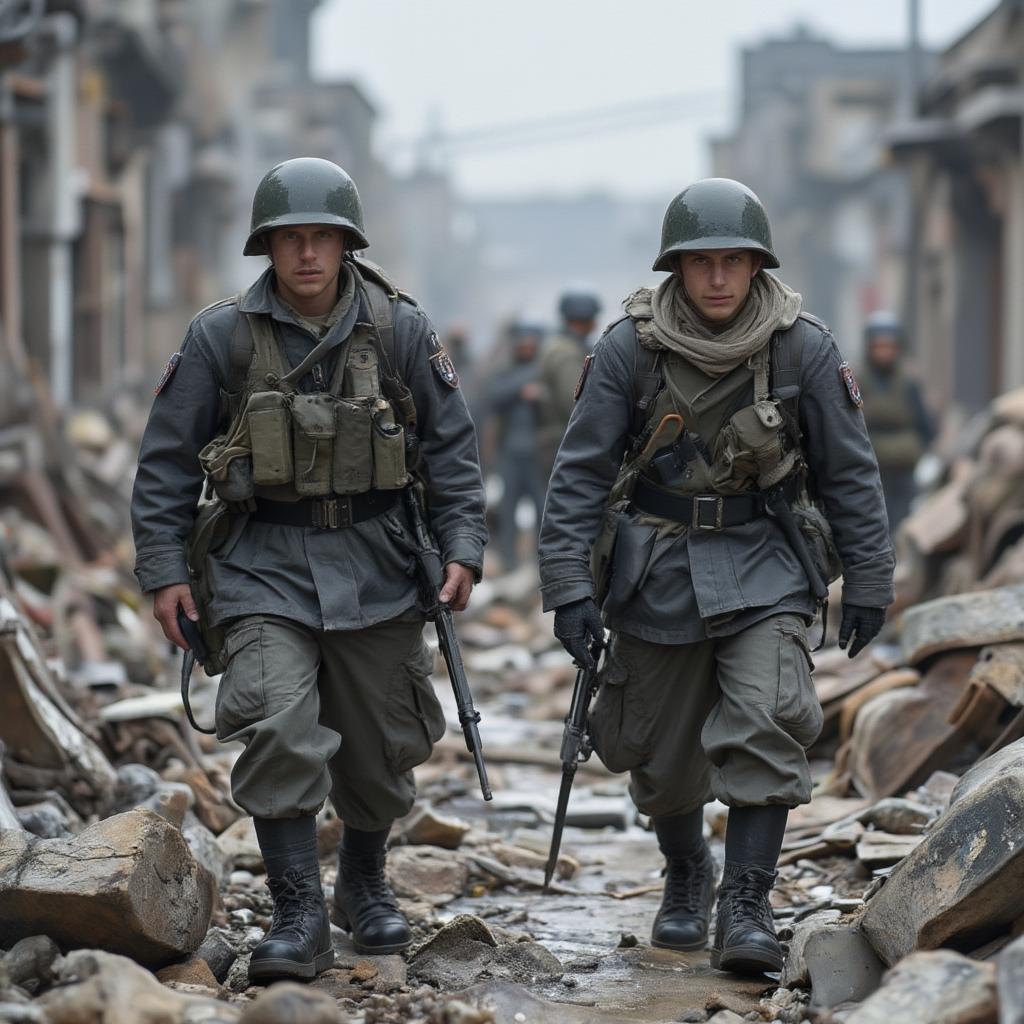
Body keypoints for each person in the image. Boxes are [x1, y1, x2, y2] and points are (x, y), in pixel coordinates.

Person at [131, 157, 486, 983]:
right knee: (275, 725)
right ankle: (296, 912)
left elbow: (452, 449)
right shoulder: (219, 336)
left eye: (321, 237)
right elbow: (166, 465)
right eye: (290, 239)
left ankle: (363, 883)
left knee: (380, 745)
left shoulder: (400, 329)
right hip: (262, 563)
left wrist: (463, 546)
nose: (306, 255)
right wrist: (162, 571)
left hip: (380, 562)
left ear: (346, 244)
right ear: (268, 247)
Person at [539, 178, 894, 976]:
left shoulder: (804, 346)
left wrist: (869, 579)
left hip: (766, 560)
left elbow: (851, 474)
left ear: (758, 264)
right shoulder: (629, 349)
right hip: (655, 566)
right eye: (703, 263)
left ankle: (747, 903)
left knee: (767, 716)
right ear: (677, 269)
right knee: (657, 752)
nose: (720, 279)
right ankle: (687, 870)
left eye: (735, 261)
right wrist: (566, 585)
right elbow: (579, 474)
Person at [859, 310, 933, 533]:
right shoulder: (857, 379)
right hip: (870, 468)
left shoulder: (909, 383)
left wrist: (918, 452)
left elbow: (925, 426)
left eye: (889, 346)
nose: (885, 352)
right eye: (879, 346)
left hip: (902, 472)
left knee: (900, 525)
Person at [487, 322, 547, 569]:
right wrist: (522, 387)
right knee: (508, 507)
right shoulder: (507, 371)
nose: (526, 349)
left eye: (530, 345)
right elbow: (493, 396)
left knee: (541, 508)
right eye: (522, 345)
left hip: (537, 452)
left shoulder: (545, 370)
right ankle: (509, 560)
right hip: (510, 452)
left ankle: (538, 562)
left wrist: (540, 394)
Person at [537, 288, 601, 478]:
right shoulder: (566, 352)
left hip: (555, 440)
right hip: (562, 441)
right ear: (586, 319)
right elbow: (575, 401)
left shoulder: (557, 344)